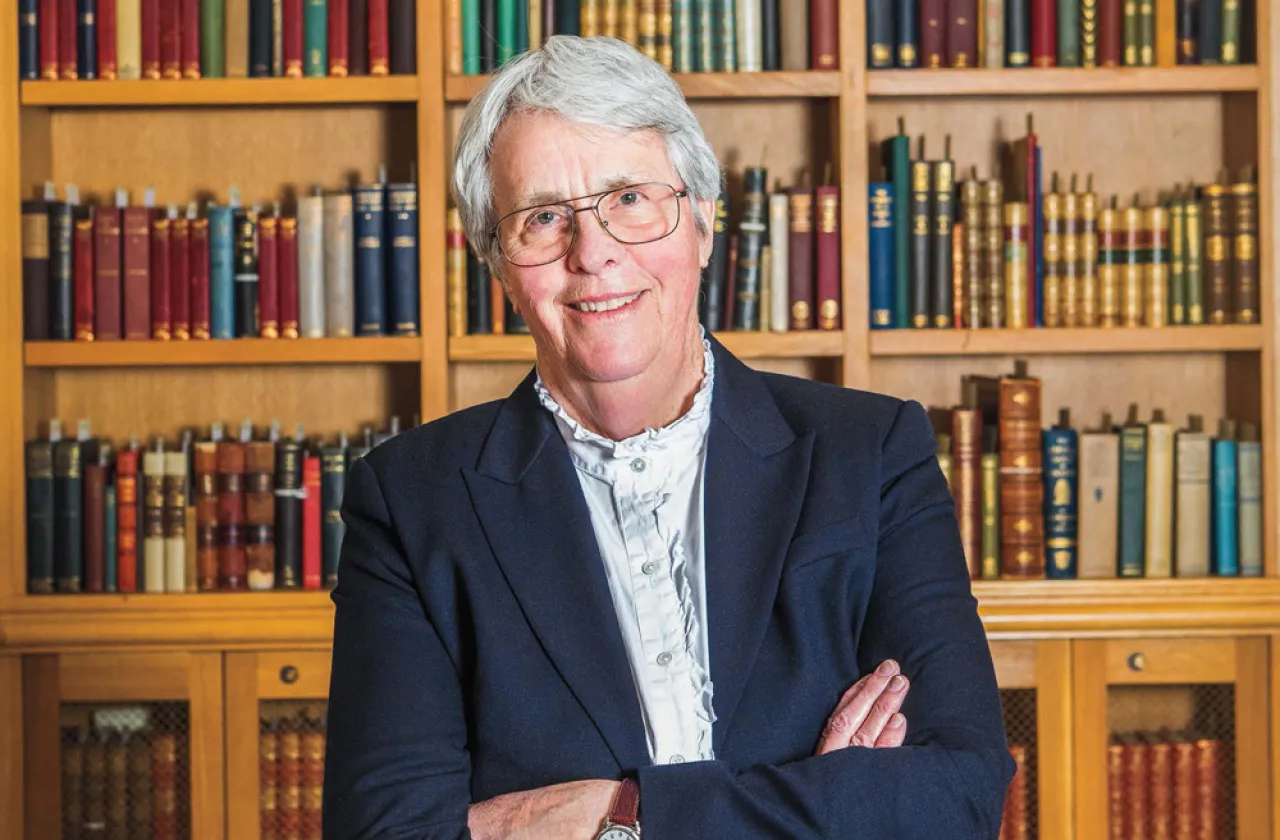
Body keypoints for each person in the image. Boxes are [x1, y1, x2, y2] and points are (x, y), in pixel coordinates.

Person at [322, 35, 1014, 839]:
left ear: (703, 219)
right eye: (543, 218)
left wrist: (617, 816)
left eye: (629, 198)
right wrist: (822, 802)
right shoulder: (411, 503)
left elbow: (957, 796)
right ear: (500, 267)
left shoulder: (871, 453)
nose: (594, 253)